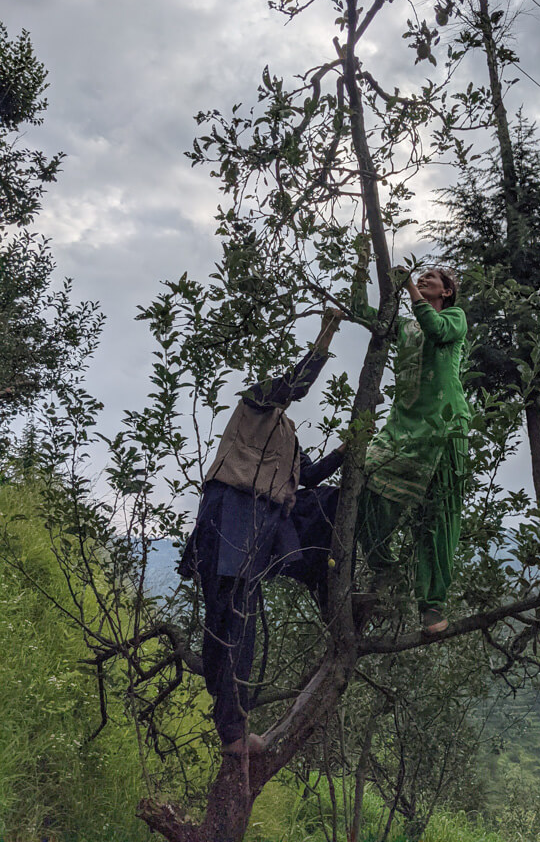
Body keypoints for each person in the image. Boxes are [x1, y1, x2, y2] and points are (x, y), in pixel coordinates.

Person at [178, 309, 345, 755]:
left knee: (328, 501)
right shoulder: (255, 402)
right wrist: (325, 337)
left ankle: (331, 594)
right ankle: (232, 731)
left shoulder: (287, 430)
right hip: (231, 512)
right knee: (231, 620)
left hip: (265, 523)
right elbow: (295, 385)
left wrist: (351, 449)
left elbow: (308, 475)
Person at [352, 252, 470, 635]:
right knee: (365, 481)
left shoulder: (454, 318)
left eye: (431, 278)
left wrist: (408, 288)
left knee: (437, 518)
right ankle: (385, 569)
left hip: (444, 428)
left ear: (447, 291)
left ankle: (432, 607)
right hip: (403, 430)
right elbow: (362, 312)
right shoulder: (404, 325)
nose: (422, 279)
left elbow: (435, 330)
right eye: (420, 277)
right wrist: (359, 263)